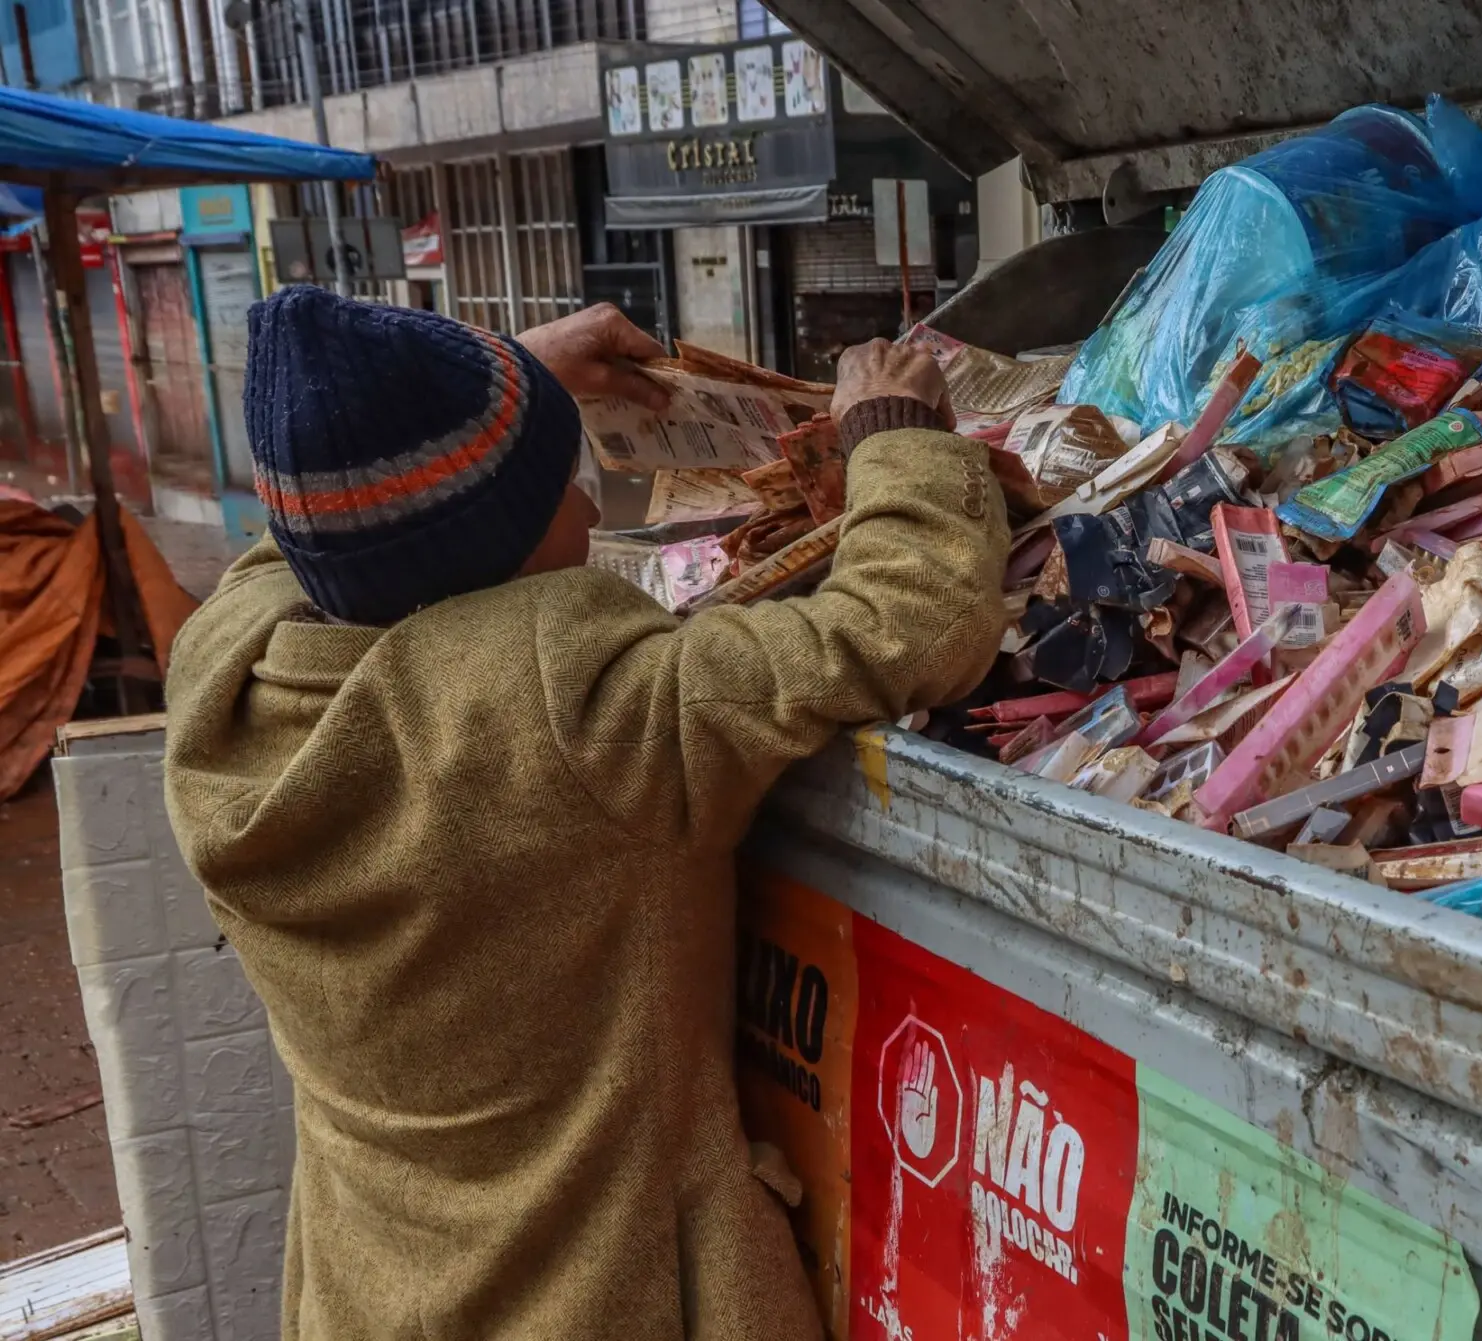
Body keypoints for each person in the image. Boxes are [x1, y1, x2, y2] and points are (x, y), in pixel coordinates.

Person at [160, 287, 1009, 1339]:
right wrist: (895, 437)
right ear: (500, 554)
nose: (595, 509)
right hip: (613, 1295)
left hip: (372, 1286)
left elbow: (325, 533)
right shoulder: (579, 715)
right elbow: (905, 622)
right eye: (563, 485)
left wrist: (502, 385)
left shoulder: (220, 673)